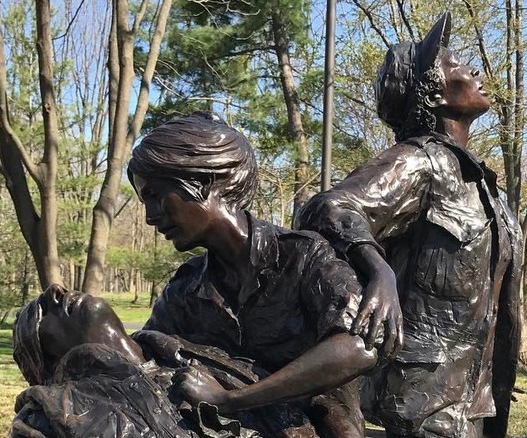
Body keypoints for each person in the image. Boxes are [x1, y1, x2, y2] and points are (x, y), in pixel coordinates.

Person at [296, 12, 522, 438]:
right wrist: (377, 269)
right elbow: (327, 208)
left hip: (475, 402)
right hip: (422, 406)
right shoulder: (421, 162)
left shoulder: (481, 186)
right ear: (434, 94)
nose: (474, 70)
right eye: (457, 65)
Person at [127, 111, 396, 437]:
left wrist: (229, 400)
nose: (149, 217)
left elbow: (358, 349)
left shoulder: (304, 255)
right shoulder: (186, 289)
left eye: (155, 195)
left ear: (204, 182)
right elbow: (145, 355)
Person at [10, 284, 321, 437]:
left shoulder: (204, 357)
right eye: (38, 315)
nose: (55, 290)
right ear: (48, 362)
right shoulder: (49, 415)